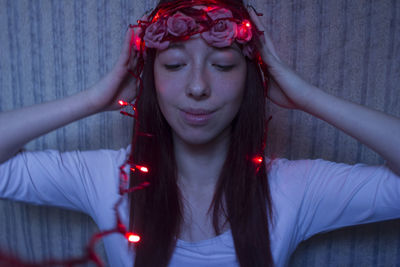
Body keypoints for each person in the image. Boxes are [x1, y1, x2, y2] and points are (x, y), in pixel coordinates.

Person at [0, 0, 399, 266]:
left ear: (249, 80)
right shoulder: (110, 178)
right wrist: (93, 98)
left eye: (223, 65)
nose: (197, 87)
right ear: (149, 79)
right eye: (173, 65)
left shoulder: (291, 187)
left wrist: (305, 95)